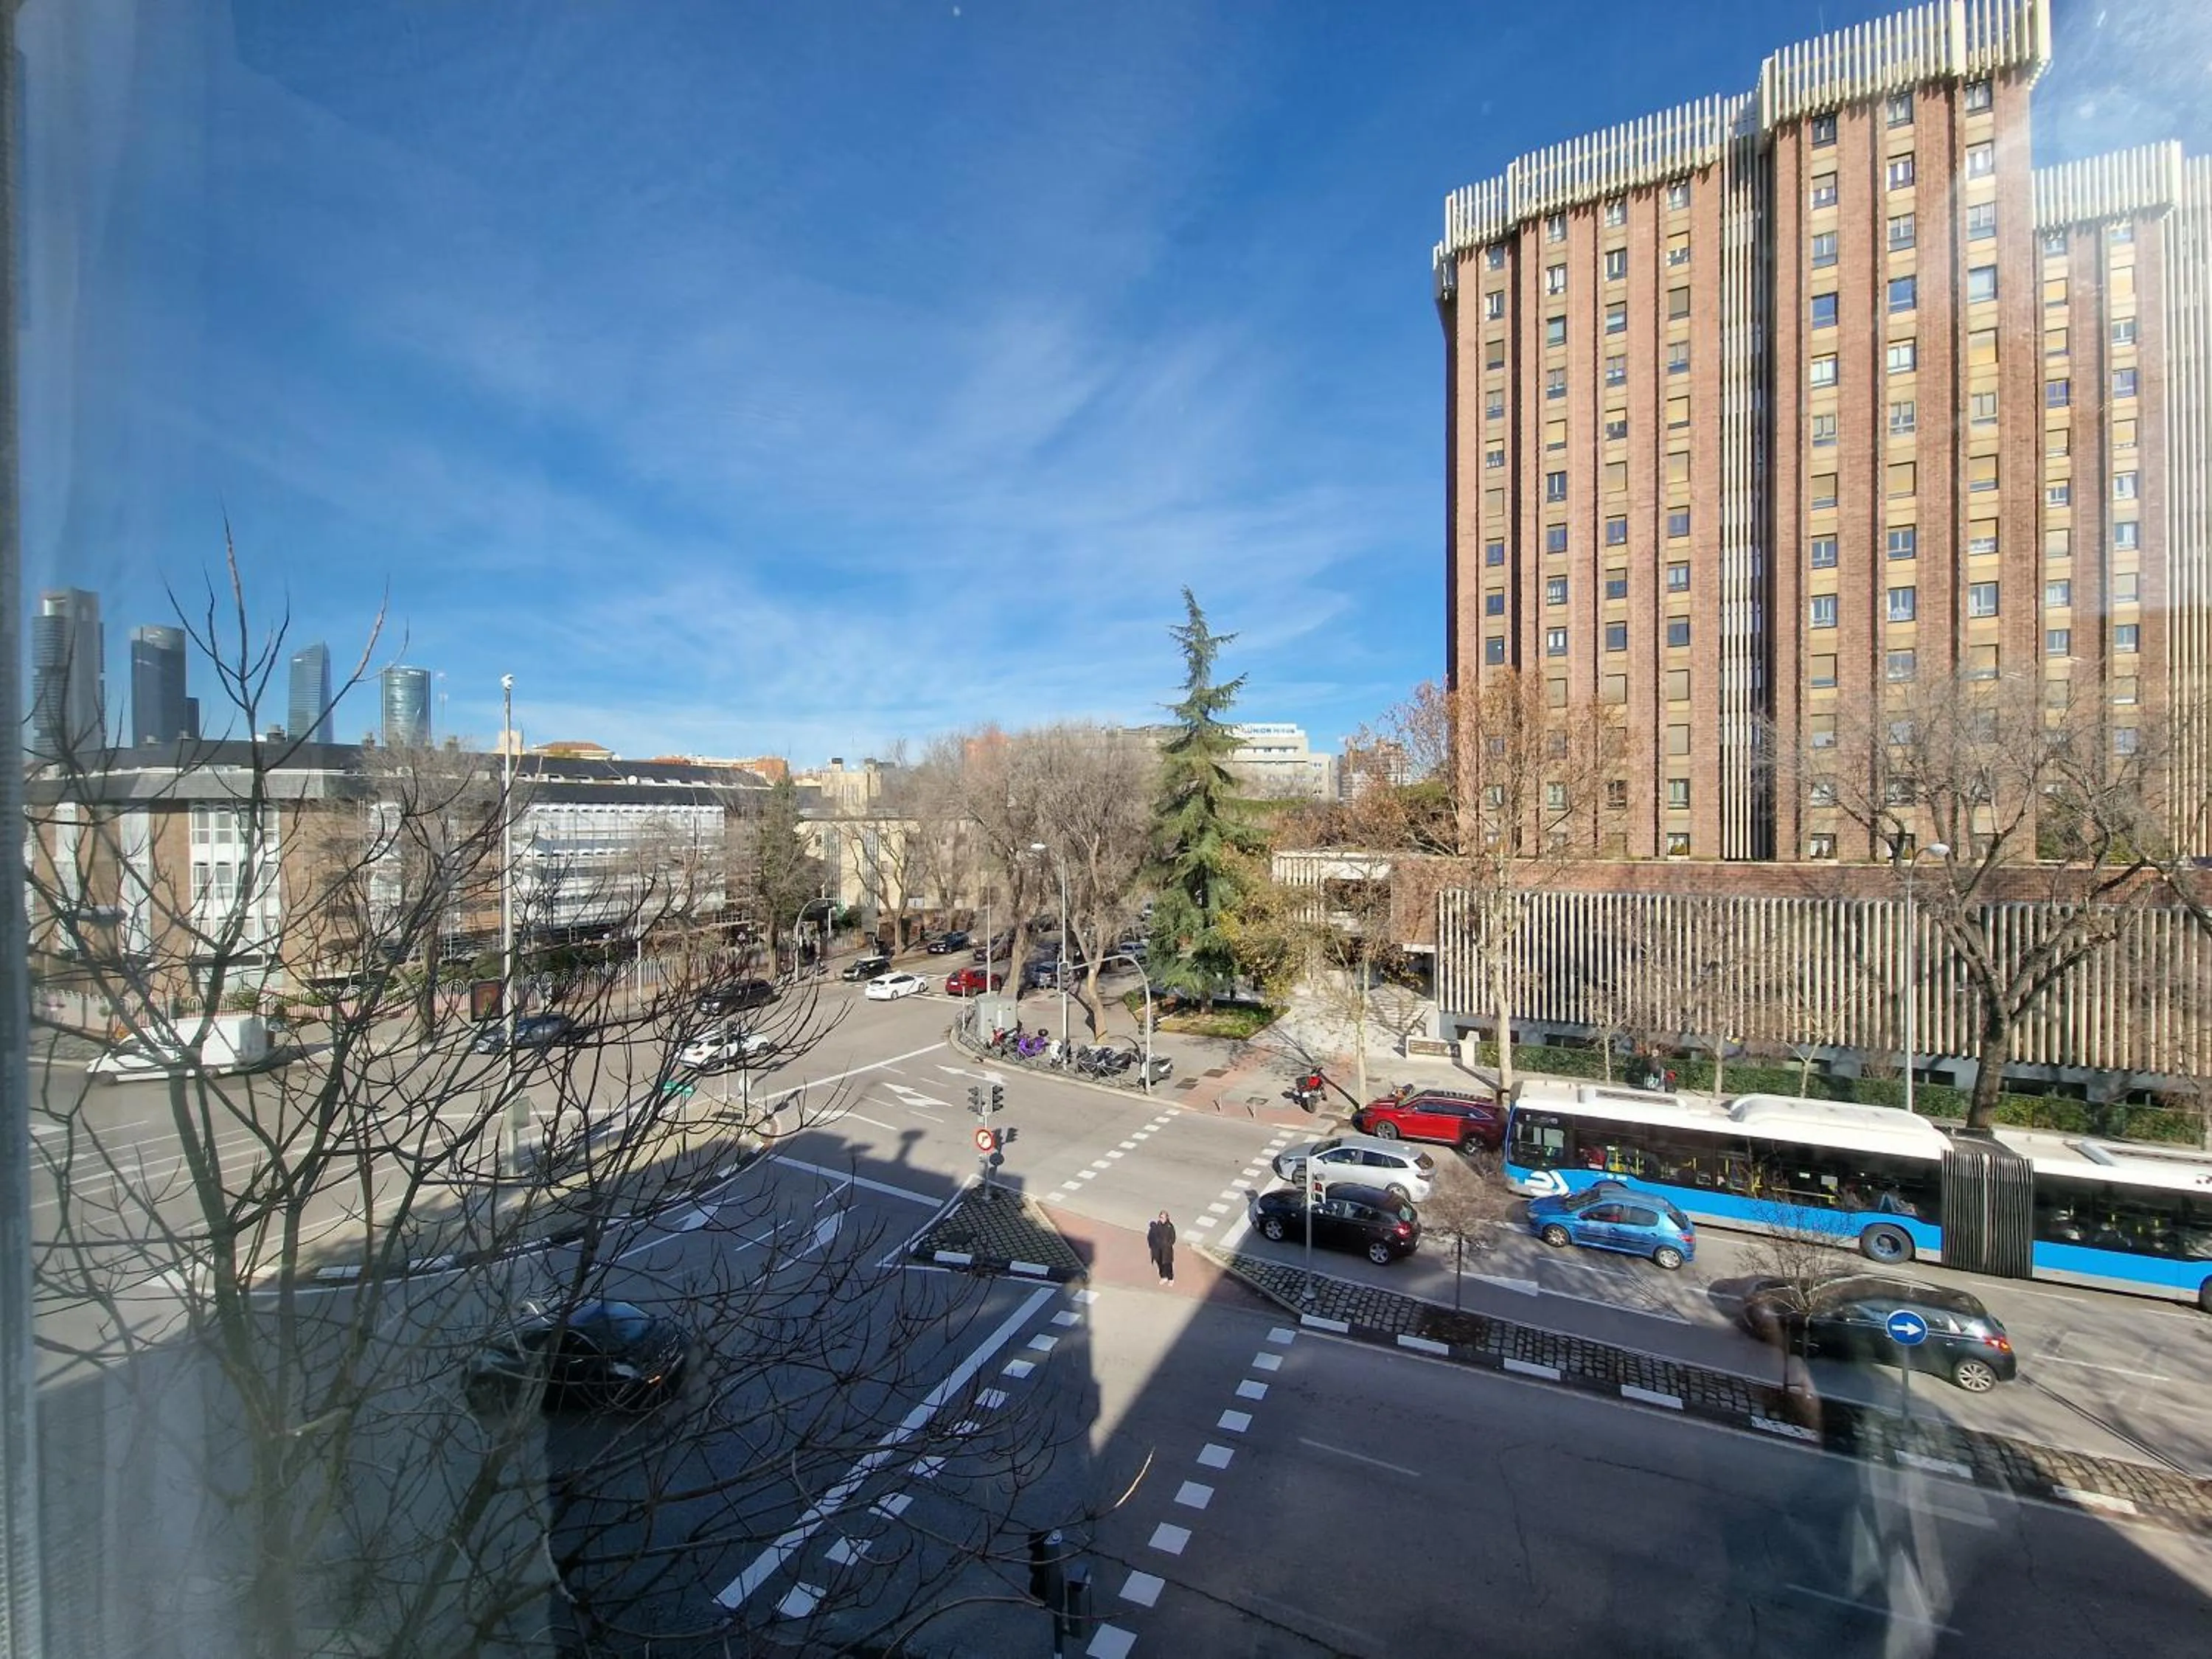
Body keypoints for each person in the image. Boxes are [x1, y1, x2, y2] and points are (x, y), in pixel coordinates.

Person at [1147, 1211, 1177, 1284]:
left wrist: (1167, 1245)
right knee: (1160, 1264)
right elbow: (1151, 1237)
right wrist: (1154, 1246)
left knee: (1168, 1264)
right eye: (1160, 1217)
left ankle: (1171, 1278)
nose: (1161, 1219)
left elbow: (1173, 1238)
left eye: (1163, 1218)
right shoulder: (1157, 1226)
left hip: (1167, 1250)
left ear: (1167, 1218)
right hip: (1159, 1250)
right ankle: (1164, 1277)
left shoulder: (1170, 1227)